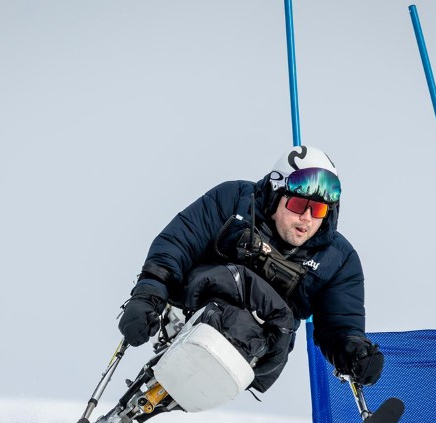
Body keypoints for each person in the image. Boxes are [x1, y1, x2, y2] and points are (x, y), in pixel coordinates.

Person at [117, 145, 383, 396]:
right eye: (299, 205)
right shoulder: (233, 201)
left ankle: (171, 392)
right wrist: (148, 295)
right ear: (277, 194)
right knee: (234, 292)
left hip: (258, 345)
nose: (307, 218)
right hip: (196, 302)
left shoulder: (337, 260)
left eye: (319, 210)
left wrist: (354, 353)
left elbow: (340, 325)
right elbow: (178, 243)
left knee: (263, 320)